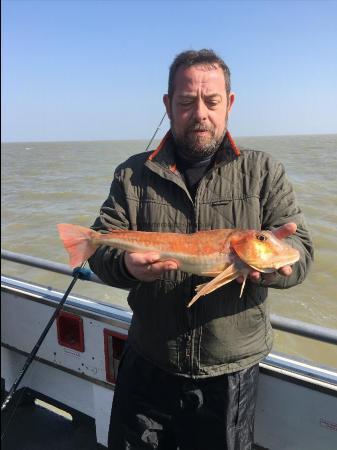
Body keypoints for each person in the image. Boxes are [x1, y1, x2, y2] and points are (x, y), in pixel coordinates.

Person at [89, 49, 313, 450]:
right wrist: (124, 264)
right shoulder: (132, 173)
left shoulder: (263, 172)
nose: (200, 113)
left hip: (229, 371)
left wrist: (274, 261)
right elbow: (99, 243)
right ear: (168, 105)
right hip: (149, 359)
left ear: (229, 103)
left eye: (211, 101)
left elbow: (301, 250)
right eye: (186, 102)